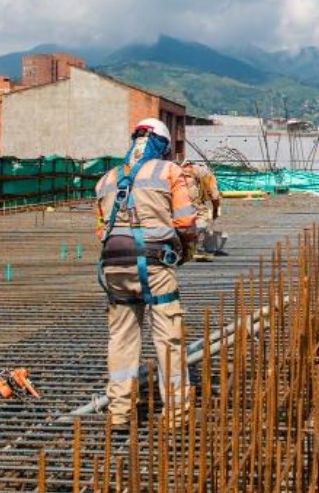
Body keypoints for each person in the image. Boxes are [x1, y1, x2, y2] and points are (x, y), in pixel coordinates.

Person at [95, 118, 197, 432]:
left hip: (114, 266)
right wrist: (186, 250)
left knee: (122, 339)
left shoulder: (107, 179)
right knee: (169, 338)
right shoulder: (169, 171)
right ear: (163, 146)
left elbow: (101, 231)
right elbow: (185, 223)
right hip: (153, 263)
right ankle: (177, 415)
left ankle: (120, 413)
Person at [181, 160, 221, 260]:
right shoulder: (207, 174)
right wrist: (216, 210)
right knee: (201, 216)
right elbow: (214, 195)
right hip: (191, 197)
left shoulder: (176, 168)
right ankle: (199, 250)